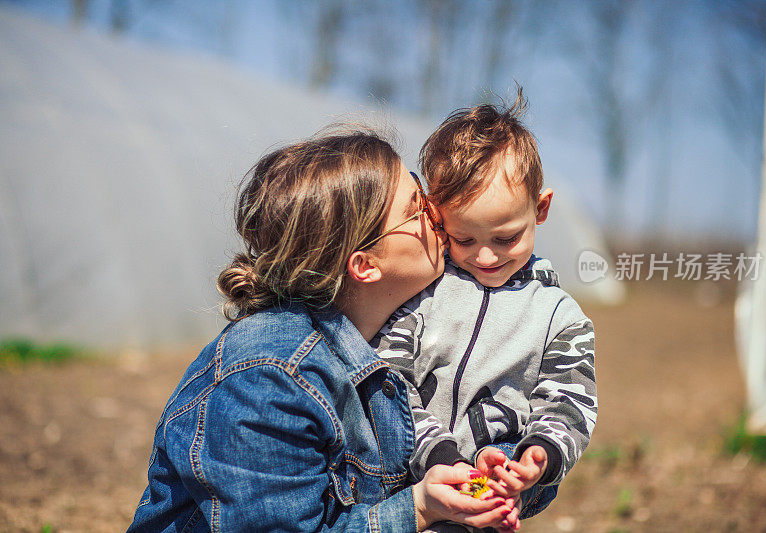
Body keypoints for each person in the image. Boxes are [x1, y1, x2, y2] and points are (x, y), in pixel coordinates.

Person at [127, 129, 520, 532]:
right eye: (415, 207)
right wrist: (419, 509)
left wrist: (511, 473)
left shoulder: (410, 334)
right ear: (365, 265)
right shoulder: (269, 378)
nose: (437, 212)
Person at [372, 91, 597, 527]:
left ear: (541, 208)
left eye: (506, 238)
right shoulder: (421, 291)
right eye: (465, 239)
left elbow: (570, 402)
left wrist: (539, 456)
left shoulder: (561, 318)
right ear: (438, 220)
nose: (487, 257)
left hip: (491, 485)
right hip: (406, 484)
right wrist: (438, 454)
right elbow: (388, 382)